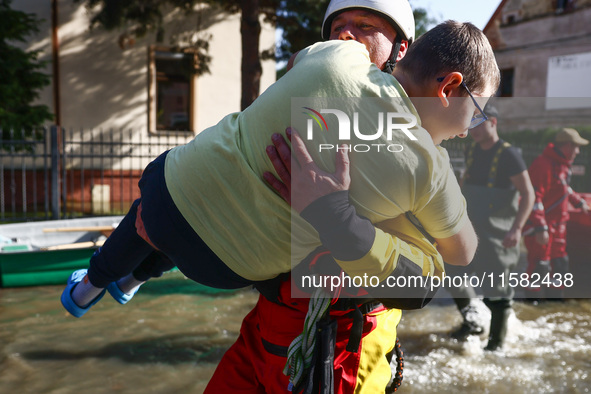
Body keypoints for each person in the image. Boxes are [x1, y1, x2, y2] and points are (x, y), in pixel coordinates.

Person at [206, 17, 499, 394]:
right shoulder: (421, 161)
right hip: (299, 333)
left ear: (401, 52)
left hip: (330, 338)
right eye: (337, 30)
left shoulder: (411, 153)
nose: (347, 37)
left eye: (363, 27)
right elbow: (462, 252)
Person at [445, 103, 535, 351]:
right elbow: (464, 185)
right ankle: (473, 321)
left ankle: (496, 345)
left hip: (498, 236)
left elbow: (528, 194)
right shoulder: (471, 150)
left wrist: (517, 229)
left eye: (477, 122)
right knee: (451, 272)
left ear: (492, 122)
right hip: (471, 230)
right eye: (470, 121)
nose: (471, 127)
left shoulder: (509, 155)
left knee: (497, 291)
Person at [523, 127, 589, 301]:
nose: (578, 151)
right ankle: (532, 307)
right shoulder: (543, 164)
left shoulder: (562, 165)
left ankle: (554, 302)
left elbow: (563, 188)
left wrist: (579, 202)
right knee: (539, 266)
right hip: (543, 227)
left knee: (559, 266)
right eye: (576, 146)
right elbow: (534, 197)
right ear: (567, 145)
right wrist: (540, 227)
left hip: (558, 226)